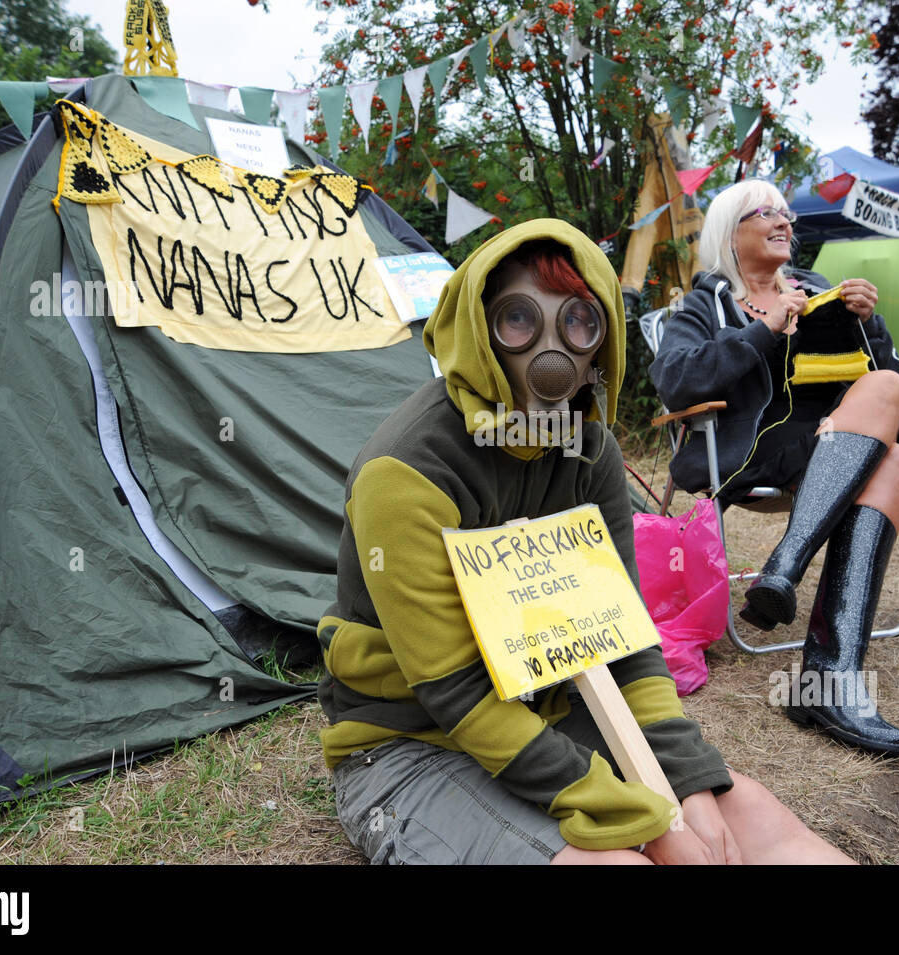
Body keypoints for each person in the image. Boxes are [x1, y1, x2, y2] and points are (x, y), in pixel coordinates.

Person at [316, 218, 853, 864]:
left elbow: (623, 639)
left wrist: (686, 785)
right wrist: (644, 817)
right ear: (476, 326)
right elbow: (459, 695)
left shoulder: (587, 449)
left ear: (603, 344)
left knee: (750, 821)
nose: (552, 350)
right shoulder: (406, 476)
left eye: (578, 324)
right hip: (410, 743)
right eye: (518, 321)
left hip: (550, 709)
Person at [650, 179, 899, 757]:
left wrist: (868, 324)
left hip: (834, 446)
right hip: (752, 451)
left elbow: (887, 370)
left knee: (890, 415)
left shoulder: (818, 289)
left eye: (786, 213)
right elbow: (675, 381)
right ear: (732, 230)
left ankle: (791, 585)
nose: (784, 221)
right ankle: (827, 671)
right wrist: (765, 326)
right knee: (892, 459)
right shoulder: (705, 304)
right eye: (766, 212)